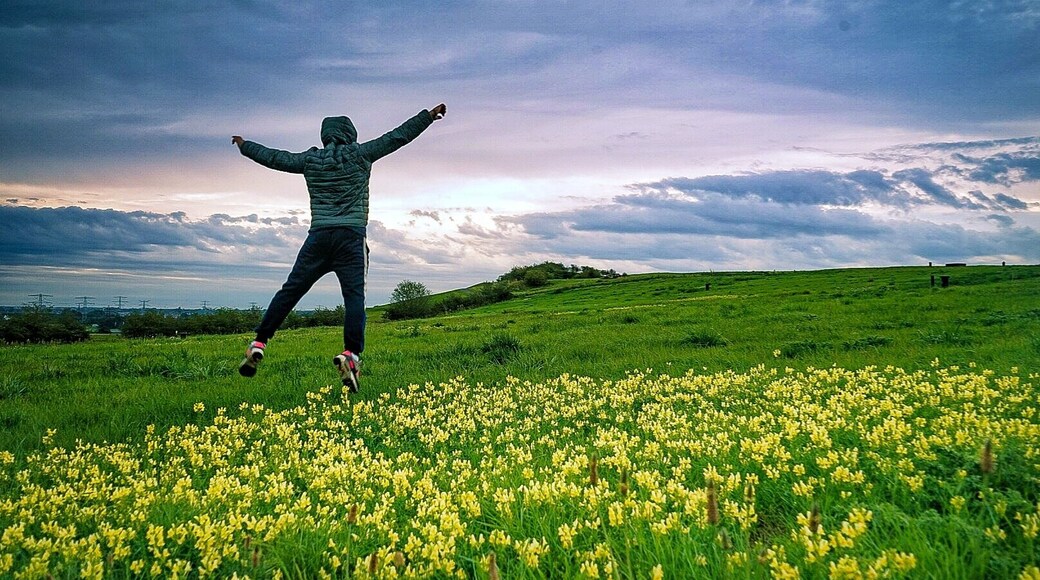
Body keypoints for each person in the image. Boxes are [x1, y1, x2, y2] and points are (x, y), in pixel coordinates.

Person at [232, 103, 446, 391]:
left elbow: (275, 158)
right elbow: (397, 137)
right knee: (354, 297)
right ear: (350, 134)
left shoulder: (310, 161)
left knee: (290, 290)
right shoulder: (361, 155)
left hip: (318, 236)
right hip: (350, 237)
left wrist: (245, 146)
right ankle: (351, 355)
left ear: (325, 135)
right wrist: (427, 117)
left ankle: (259, 342)